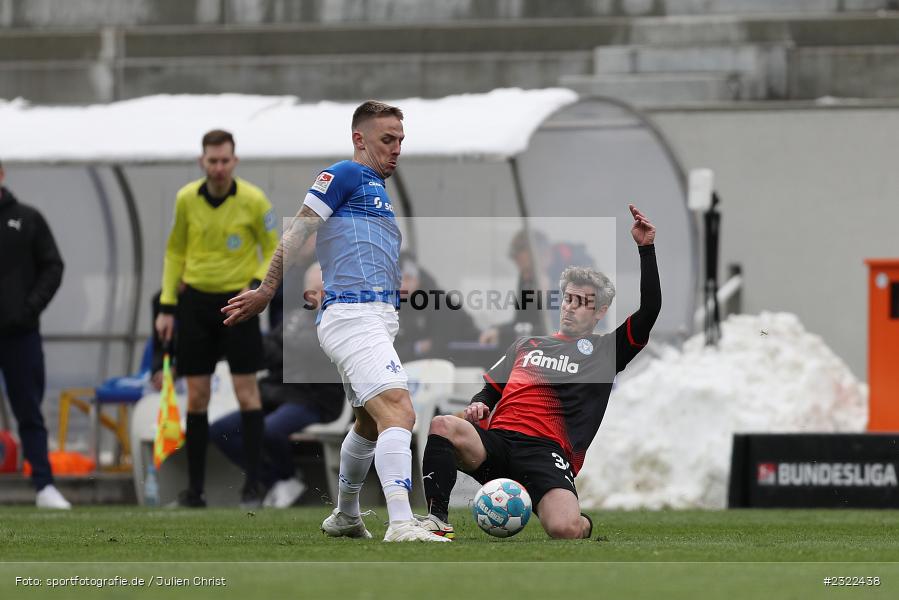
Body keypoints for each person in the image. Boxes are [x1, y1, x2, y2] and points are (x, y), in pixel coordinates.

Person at [223, 101, 448, 542]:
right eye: (388, 139)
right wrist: (267, 289)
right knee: (400, 412)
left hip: (374, 320)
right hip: (353, 317)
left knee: (367, 421)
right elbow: (299, 230)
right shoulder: (343, 175)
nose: (397, 148)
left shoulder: (376, 190)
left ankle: (345, 515)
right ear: (359, 139)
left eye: (401, 140)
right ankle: (401, 523)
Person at [419, 204, 661, 539]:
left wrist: (645, 248)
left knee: (564, 529)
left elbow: (650, 310)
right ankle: (435, 520)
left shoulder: (607, 350)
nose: (571, 308)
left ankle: (582, 522)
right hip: (498, 443)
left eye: (582, 303)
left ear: (600, 311)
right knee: (444, 425)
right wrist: (477, 404)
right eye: (568, 299)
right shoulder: (526, 345)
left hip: (546, 453)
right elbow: (490, 391)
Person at [155, 130, 279, 508]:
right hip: (195, 305)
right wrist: (167, 305)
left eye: (225, 160)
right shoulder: (186, 199)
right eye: (213, 161)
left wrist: (257, 286)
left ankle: (253, 487)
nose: (219, 167)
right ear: (202, 162)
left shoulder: (255, 200)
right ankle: (195, 492)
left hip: (238, 303)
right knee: (196, 397)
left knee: (247, 393)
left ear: (234, 161)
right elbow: (174, 251)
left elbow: (273, 247)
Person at [210, 263, 344, 507]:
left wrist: (286, 349)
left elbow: (315, 355)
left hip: (315, 399)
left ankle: (285, 477)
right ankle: (278, 480)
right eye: (310, 289)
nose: (314, 295)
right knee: (222, 430)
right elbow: (267, 352)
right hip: (276, 394)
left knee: (270, 430)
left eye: (321, 289)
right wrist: (242, 337)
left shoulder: (341, 322)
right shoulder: (292, 319)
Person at [0, 160, 70, 509]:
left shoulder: (27, 219)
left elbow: (53, 266)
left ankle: (44, 486)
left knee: (29, 410)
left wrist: (29, 308)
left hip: (19, 334)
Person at [394, 252, 482, 363]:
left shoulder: (439, 303)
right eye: (397, 279)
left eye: (407, 279)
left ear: (417, 279)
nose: (402, 285)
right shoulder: (391, 307)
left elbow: (439, 347)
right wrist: (416, 348)